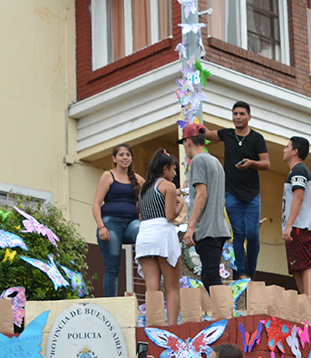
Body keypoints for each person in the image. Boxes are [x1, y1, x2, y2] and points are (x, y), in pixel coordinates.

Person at [217, 101, 269, 280]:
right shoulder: (227, 134)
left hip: (252, 194)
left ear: (249, 117)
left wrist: (251, 163)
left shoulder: (257, 138)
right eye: (235, 114)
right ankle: (241, 273)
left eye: (241, 114)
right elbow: (206, 134)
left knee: (252, 234)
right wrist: (192, 127)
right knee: (238, 235)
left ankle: (251, 271)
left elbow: (266, 164)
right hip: (231, 194)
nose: (237, 117)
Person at [135, 148, 183, 324]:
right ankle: (171, 328)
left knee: (152, 289)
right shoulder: (168, 186)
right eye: (173, 169)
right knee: (172, 288)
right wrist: (181, 204)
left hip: (144, 236)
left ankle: (153, 324)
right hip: (162, 235)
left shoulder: (144, 189)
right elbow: (170, 216)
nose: (175, 173)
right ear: (165, 169)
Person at [182, 124, 231, 292]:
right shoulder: (215, 161)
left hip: (207, 229)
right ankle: (224, 312)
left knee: (210, 276)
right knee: (210, 274)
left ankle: (225, 315)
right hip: (218, 227)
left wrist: (191, 227)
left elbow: (201, 194)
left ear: (188, 141)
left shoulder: (197, 161)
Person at [92, 143, 145, 297]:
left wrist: (178, 191)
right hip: (111, 223)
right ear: (114, 158)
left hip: (131, 223)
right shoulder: (108, 176)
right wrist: (101, 226)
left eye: (128, 155)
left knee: (143, 232)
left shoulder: (136, 178)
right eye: (121, 155)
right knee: (113, 266)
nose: (125, 158)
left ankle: (146, 269)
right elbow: (96, 204)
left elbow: (155, 189)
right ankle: (112, 304)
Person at [280, 136, 311, 295]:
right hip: (296, 226)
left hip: (300, 226)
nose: (284, 149)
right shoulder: (295, 171)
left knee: (304, 265)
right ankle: (304, 300)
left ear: (295, 151)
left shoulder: (299, 170)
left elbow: (299, 197)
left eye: (287, 147)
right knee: (296, 267)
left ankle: (310, 301)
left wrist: (289, 225)